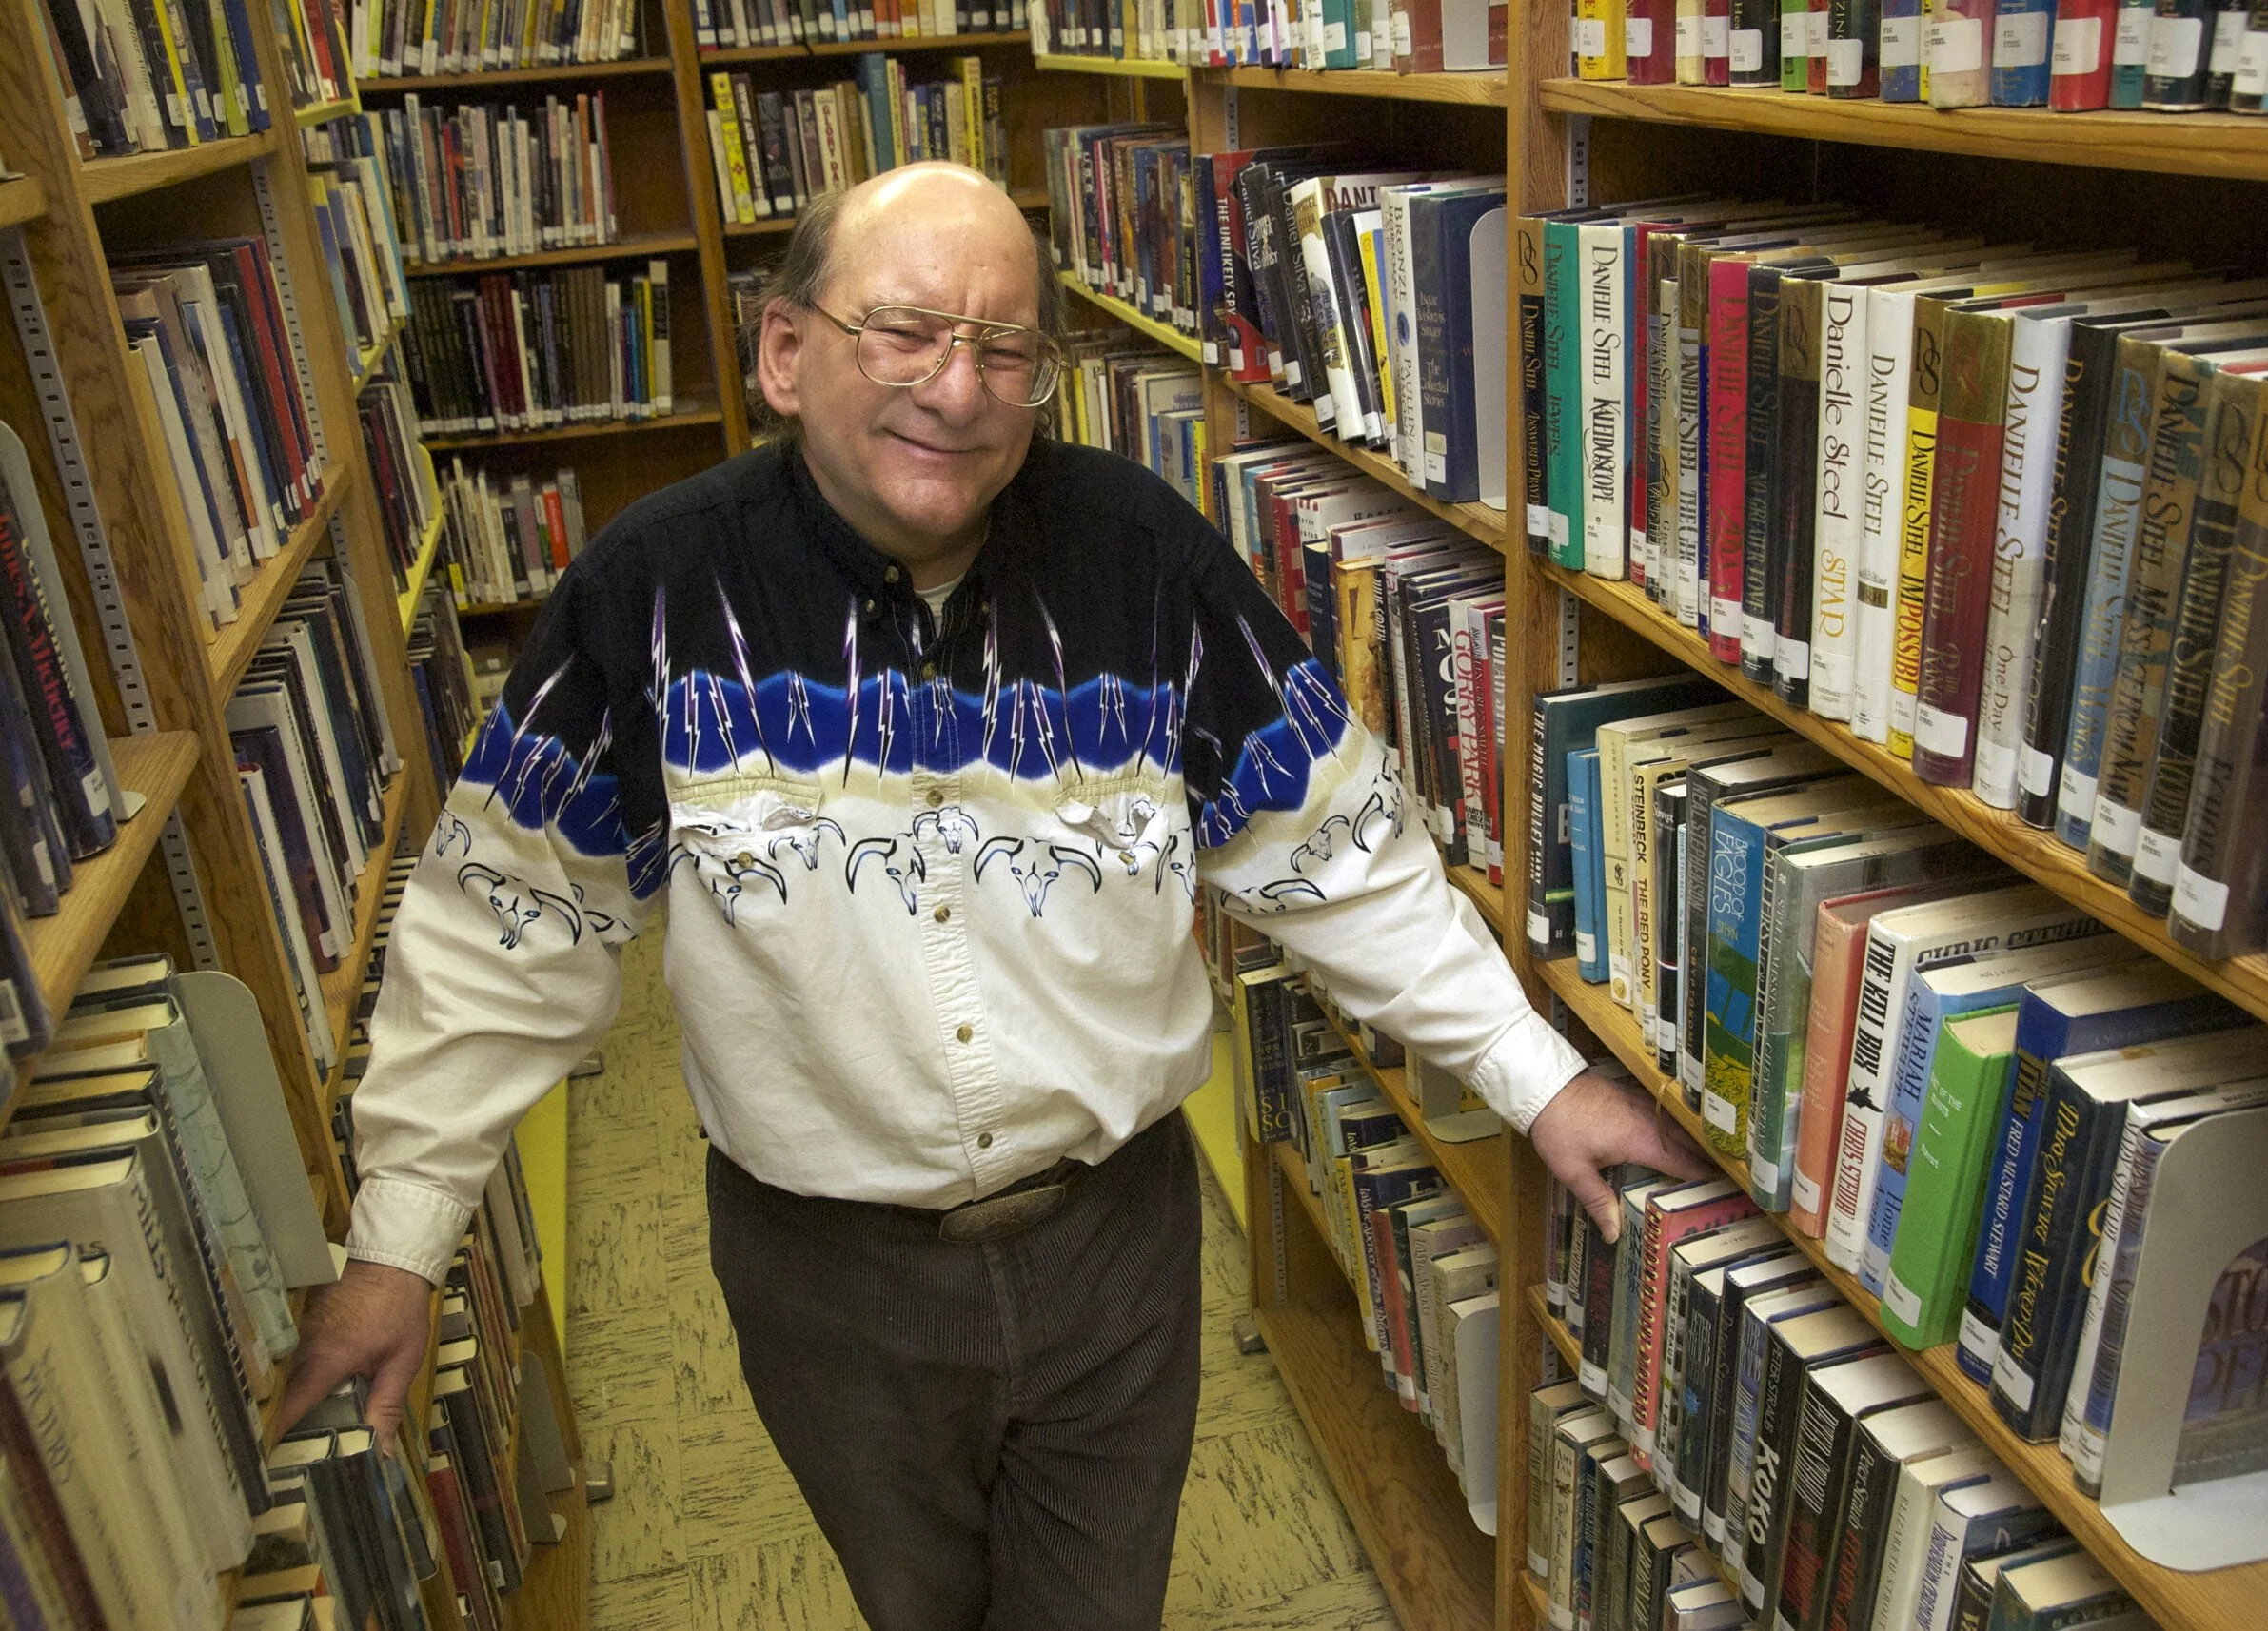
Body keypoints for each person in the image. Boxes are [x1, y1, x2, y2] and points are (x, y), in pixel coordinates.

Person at [277, 161, 1707, 1629]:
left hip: (1115, 1254)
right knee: (917, 1607)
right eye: (901, 331)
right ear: (785, 352)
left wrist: (1535, 1080)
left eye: (1005, 349)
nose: (956, 390)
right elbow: (506, 925)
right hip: (829, 1281)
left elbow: (1339, 850)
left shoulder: (1145, 558)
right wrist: (399, 1240)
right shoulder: (653, 592)